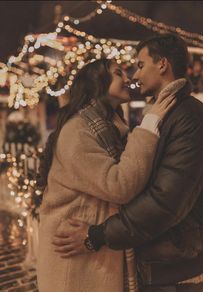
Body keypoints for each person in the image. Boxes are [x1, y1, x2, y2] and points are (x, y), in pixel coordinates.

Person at [53, 34, 203, 292]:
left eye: (140, 65)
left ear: (162, 65)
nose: (133, 76)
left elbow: (165, 200)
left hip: (175, 265)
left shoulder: (189, 116)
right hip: (163, 260)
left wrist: (98, 235)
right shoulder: (166, 114)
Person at [37, 58, 176, 292]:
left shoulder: (110, 129)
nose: (128, 78)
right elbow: (120, 186)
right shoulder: (78, 131)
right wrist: (150, 124)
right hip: (76, 260)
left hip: (91, 251)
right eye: (118, 73)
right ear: (97, 82)